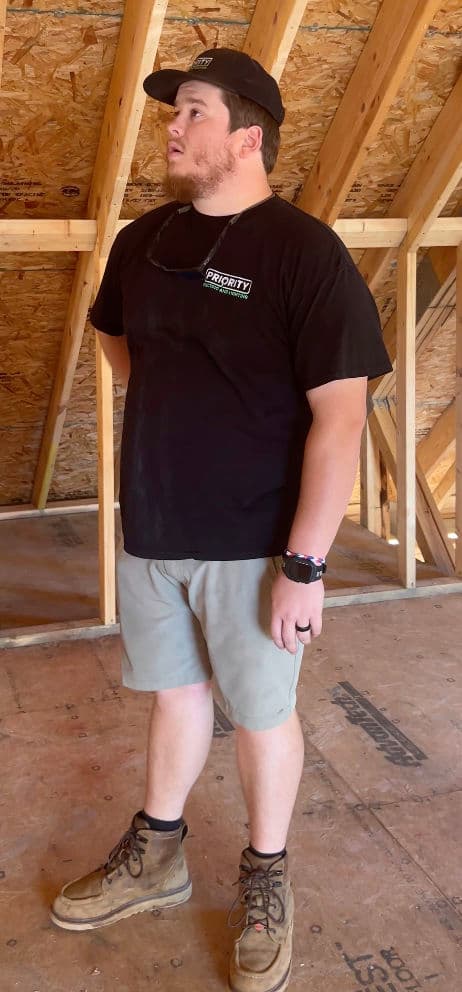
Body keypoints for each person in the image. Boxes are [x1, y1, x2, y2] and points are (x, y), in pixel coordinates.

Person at [50, 47, 392, 992]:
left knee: (262, 713)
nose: (172, 124)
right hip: (156, 526)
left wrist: (306, 564)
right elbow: (122, 346)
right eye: (172, 110)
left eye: (193, 110)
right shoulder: (142, 241)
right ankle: (157, 855)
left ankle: (265, 876)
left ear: (249, 137)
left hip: (256, 539)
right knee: (176, 694)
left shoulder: (302, 252)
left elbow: (341, 415)